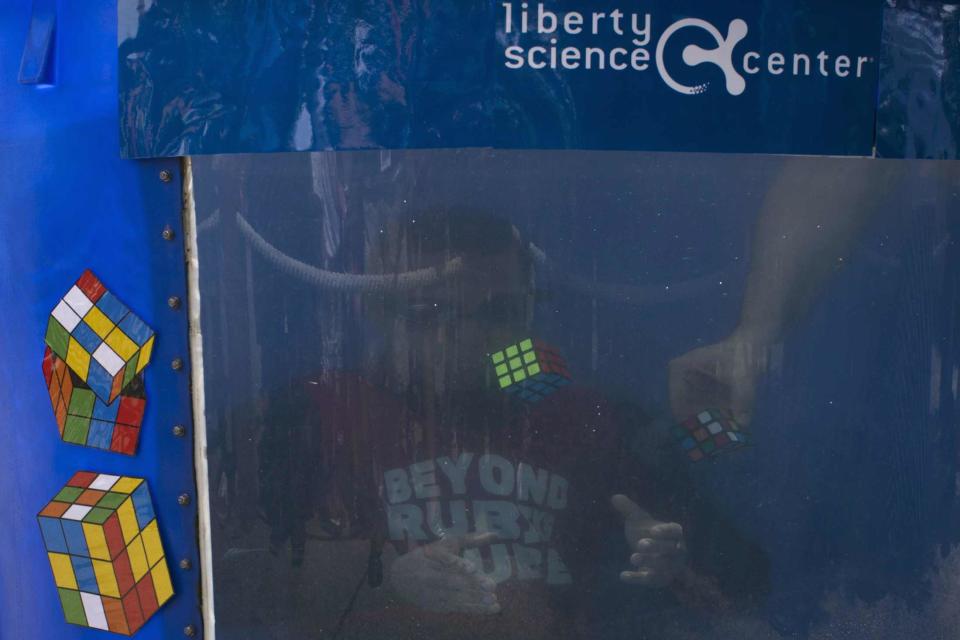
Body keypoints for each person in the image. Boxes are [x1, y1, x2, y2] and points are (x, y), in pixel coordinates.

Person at [284, 211, 768, 639]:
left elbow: (743, 586)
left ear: (529, 312)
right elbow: (228, 587)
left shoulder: (590, 420)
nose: (466, 336)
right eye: (427, 312)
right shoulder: (315, 413)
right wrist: (385, 584)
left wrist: (674, 560)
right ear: (373, 310)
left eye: (497, 312)